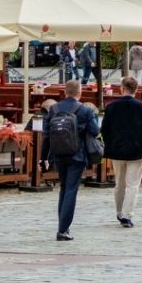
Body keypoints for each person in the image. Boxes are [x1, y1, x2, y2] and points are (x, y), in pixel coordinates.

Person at [44, 80, 100, 240]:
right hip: (77, 154)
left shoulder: (54, 109)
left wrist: (43, 157)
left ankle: (62, 225)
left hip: (58, 154)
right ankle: (63, 229)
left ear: (65, 92)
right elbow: (95, 132)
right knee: (71, 190)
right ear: (79, 92)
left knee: (63, 188)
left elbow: (46, 135)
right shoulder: (85, 110)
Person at [101, 76, 142, 228]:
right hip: (137, 150)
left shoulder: (111, 107)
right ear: (136, 90)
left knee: (120, 183)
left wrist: (110, 144)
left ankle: (119, 212)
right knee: (132, 185)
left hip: (117, 149)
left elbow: (105, 130)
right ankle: (127, 215)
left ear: (122, 89)